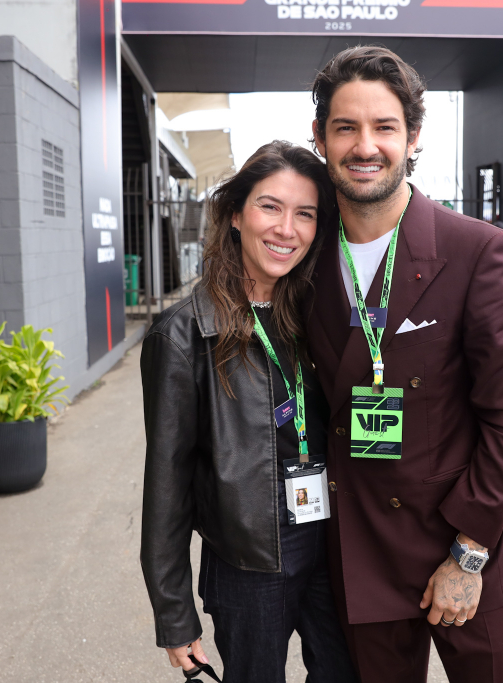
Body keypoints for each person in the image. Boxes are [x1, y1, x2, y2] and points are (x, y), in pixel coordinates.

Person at [305, 46, 503, 682]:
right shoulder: (306, 263)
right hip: (365, 552)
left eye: (384, 127)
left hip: (469, 543)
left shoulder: (479, 252)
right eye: (345, 127)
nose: (365, 146)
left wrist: (468, 556)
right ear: (320, 138)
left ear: (412, 138)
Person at [139, 141, 359, 683]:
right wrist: (174, 614)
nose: (287, 228)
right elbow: (166, 481)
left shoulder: (312, 316)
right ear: (235, 214)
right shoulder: (183, 334)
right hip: (247, 564)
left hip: (327, 542)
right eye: (270, 206)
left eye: (305, 213)